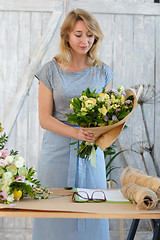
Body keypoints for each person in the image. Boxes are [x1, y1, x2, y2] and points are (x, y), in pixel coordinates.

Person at [32, 8, 113, 240]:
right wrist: (75, 133)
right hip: (56, 152)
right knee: (53, 211)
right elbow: (44, 118)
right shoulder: (50, 70)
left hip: (91, 153)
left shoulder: (103, 72)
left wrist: (101, 132)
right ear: (66, 35)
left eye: (90, 35)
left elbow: (105, 117)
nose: (85, 40)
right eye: (79, 34)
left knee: (92, 210)